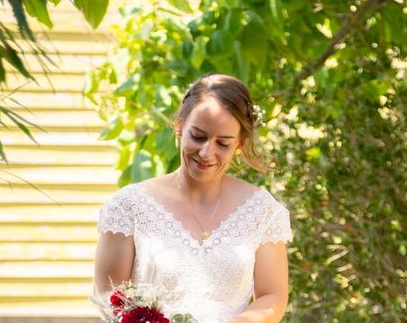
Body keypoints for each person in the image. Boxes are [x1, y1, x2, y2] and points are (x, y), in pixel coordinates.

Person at [94, 73, 293, 323]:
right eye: (198, 136)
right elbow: (109, 297)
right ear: (180, 125)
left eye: (223, 143)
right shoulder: (129, 206)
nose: (206, 153)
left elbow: (272, 295)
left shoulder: (262, 211)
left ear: (240, 144)